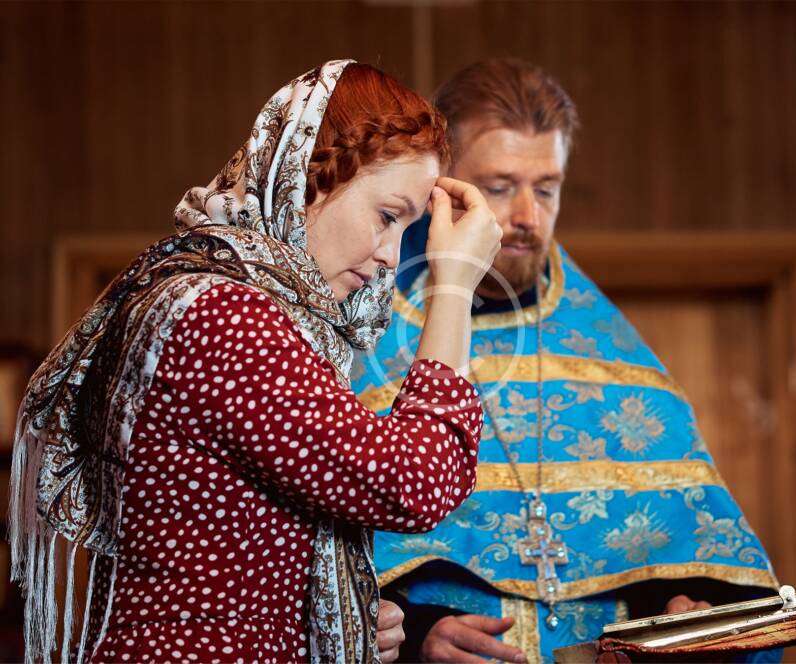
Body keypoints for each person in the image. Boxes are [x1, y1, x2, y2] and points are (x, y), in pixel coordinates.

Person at [8, 60, 503, 663]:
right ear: (308, 180)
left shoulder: (225, 300)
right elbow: (413, 483)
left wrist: (331, 619)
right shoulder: (225, 317)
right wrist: (454, 287)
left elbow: (230, 553)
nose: (390, 256)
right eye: (387, 216)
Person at [353, 58, 779, 663]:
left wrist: (685, 605)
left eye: (546, 188)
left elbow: (686, 541)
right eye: (499, 187)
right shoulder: (362, 331)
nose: (526, 216)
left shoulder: (611, 355)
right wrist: (420, 632)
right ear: (439, 185)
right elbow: (317, 551)